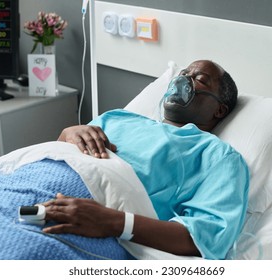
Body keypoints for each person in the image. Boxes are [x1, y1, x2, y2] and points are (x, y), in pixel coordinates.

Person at [42, 59, 249, 259]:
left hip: (81, 224)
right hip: (35, 181)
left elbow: (207, 238)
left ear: (219, 110)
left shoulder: (216, 155)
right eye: (183, 74)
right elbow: (58, 154)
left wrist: (114, 222)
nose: (184, 80)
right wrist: (67, 134)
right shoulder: (117, 117)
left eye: (200, 79)